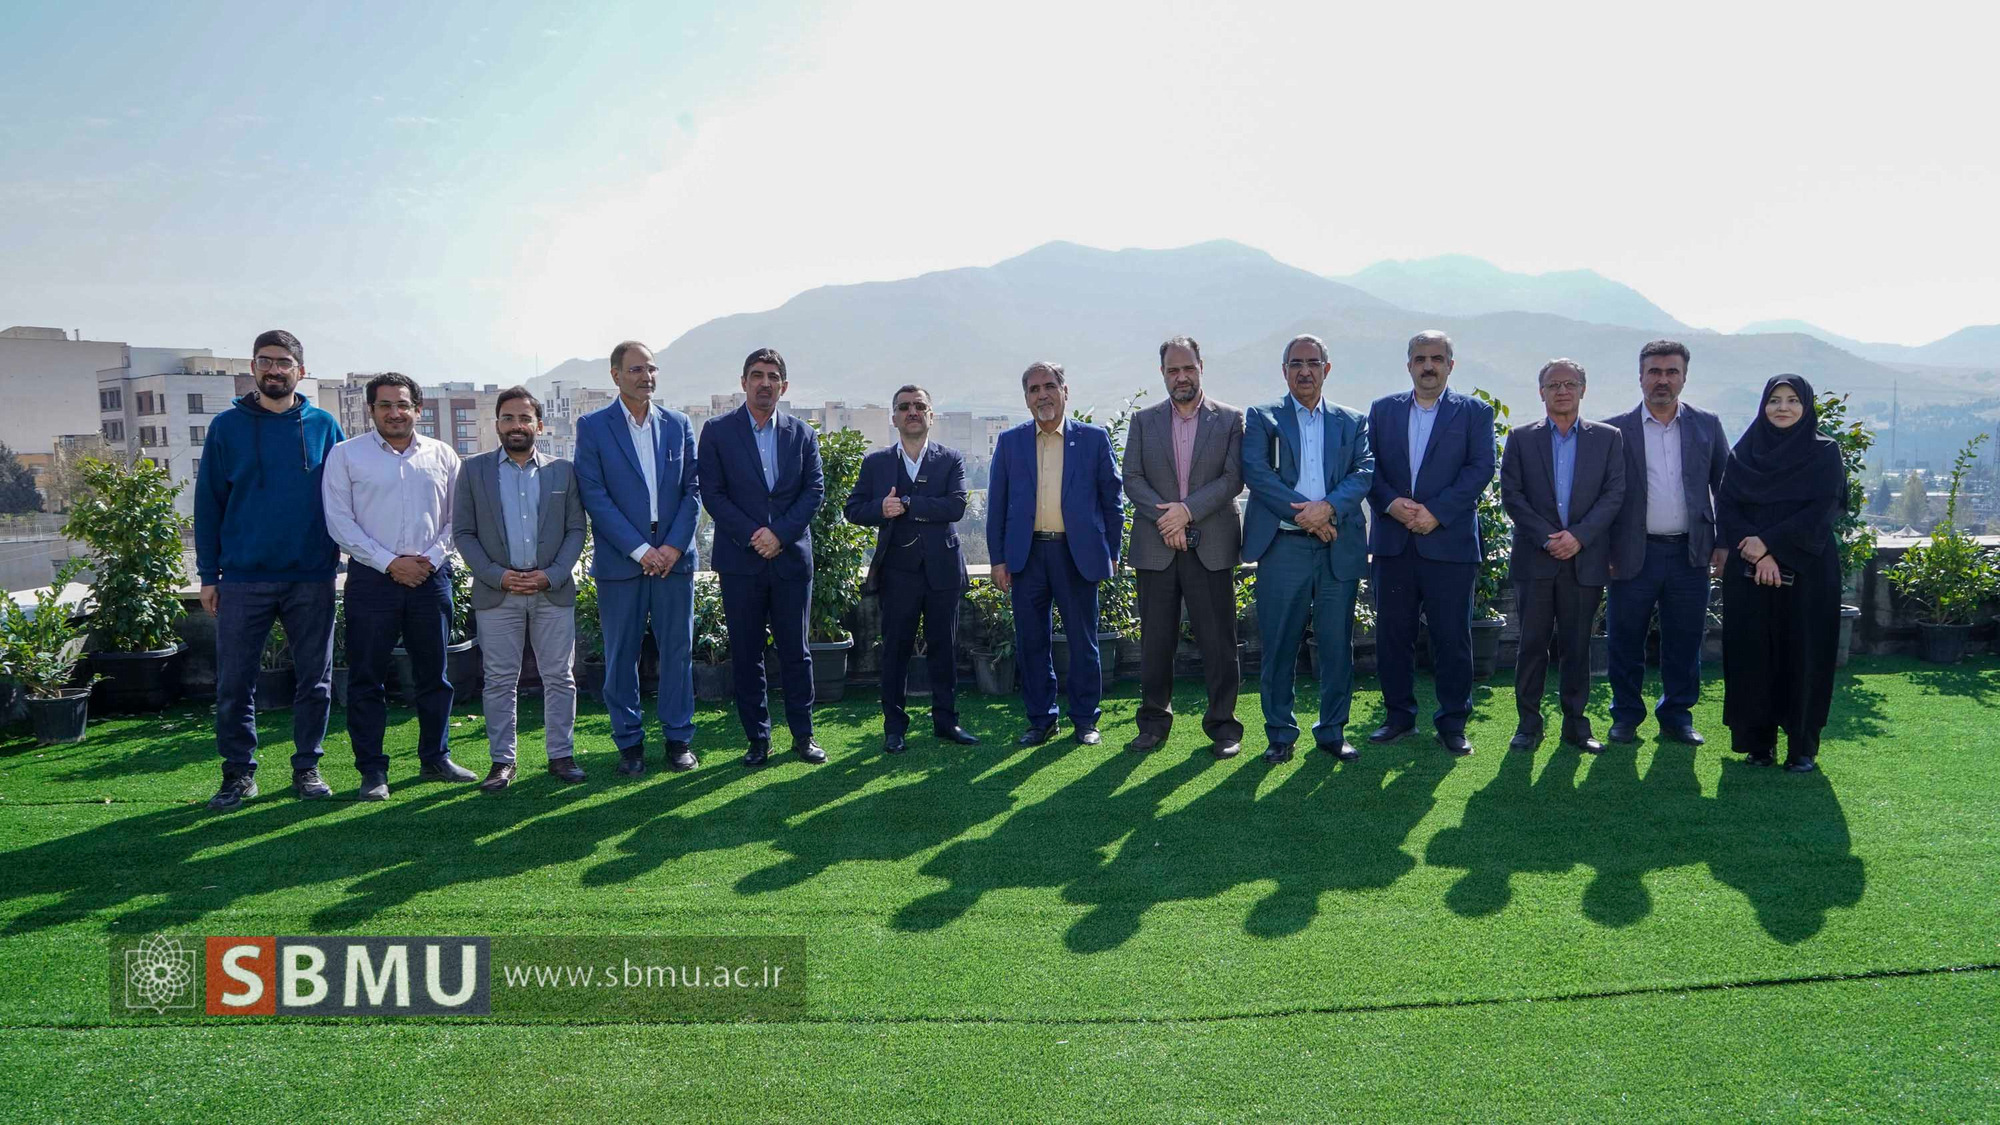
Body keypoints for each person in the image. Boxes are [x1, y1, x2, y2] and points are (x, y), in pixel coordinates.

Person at [195, 329, 346, 810]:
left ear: (300, 370)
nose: (274, 370)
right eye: (265, 361)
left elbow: (348, 493)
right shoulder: (226, 427)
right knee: (234, 682)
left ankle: (307, 767)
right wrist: (208, 574)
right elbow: (208, 503)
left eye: (283, 362)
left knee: (315, 680)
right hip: (244, 578)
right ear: (253, 367)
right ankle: (238, 773)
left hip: (312, 575)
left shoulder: (324, 426)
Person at [322, 372, 469, 799]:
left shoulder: (443, 455)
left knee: (434, 675)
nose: (394, 413)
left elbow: (459, 519)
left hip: (430, 576)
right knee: (367, 678)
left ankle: (435, 758)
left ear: (417, 410)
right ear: (371, 409)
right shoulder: (346, 455)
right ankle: (372, 771)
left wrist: (431, 559)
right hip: (372, 580)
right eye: (385, 405)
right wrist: (390, 563)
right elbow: (339, 522)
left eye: (403, 404)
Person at [1241, 335, 1375, 764]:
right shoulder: (1262, 417)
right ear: (1284, 371)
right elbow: (1257, 474)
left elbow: (1364, 472)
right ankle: (1280, 734)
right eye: (1296, 363)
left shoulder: (1353, 421)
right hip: (1283, 548)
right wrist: (1308, 517)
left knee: (1336, 646)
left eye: (1313, 363)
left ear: (1326, 369)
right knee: (1279, 646)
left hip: (1337, 546)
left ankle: (1332, 732)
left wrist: (1328, 509)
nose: (1304, 371)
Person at [572, 340, 702, 775]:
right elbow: (594, 495)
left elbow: (693, 490)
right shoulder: (593, 427)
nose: (646, 376)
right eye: (636, 369)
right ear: (615, 375)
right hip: (622, 562)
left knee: (677, 652)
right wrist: (642, 550)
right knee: (620, 656)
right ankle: (629, 743)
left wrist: (672, 547)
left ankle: (678, 739)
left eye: (651, 369)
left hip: (674, 560)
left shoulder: (679, 424)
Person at [1365, 330, 1496, 757]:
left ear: (1450, 365)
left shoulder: (1474, 413)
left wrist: (1436, 512)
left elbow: (1481, 469)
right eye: (1420, 358)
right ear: (1408, 365)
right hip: (1394, 543)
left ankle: (1453, 723)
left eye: (1437, 359)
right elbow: (1368, 467)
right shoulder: (1383, 410)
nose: (1428, 366)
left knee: (1452, 638)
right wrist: (1391, 504)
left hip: (1450, 544)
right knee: (1392, 636)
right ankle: (1398, 718)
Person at [451, 387, 588, 790]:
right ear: (496, 424)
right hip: (498, 592)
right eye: (508, 418)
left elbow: (576, 529)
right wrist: (496, 575)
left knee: (559, 677)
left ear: (539, 425)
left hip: (551, 590)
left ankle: (561, 757)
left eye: (525, 418)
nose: (516, 425)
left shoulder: (563, 471)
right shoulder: (473, 471)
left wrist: (554, 574)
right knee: (498, 680)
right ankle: (502, 762)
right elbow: (463, 532)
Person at [698, 348, 827, 767]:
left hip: (790, 560)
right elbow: (712, 493)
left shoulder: (802, 434)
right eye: (757, 375)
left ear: (783, 386)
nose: (765, 383)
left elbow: (814, 491)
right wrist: (756, 536)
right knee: (746, 654)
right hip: (741, 560)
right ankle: (757, 739)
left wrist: (780, 535)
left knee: (796, 652)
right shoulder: (717, 432)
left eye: (773, 376)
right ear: (744, 382)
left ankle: (804, 736)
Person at [985, 361, 1123, 747]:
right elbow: (997, 505)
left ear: (1065, 391)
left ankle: (1086, 720)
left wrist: (1112, 552)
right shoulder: (1011, 443)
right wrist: (998, 559)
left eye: (1049, 386)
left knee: (1083, 641)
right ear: (1026, 398)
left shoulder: (1093, 439)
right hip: (1026, 556)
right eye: (1034, 389)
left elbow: (1113, 502)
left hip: (1077, 555)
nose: (1042, 395)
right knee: (1031, 643)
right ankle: (1042, 719)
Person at [1121, 336, 1245, 757]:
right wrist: (1168, 519)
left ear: (1201, 367)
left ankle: (1224, 727)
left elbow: (1233, 479)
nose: (1181, 377)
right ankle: (1153, 724)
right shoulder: (1143, 421)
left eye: (1188, 368)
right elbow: (1132, 478)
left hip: (1211, 545)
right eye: (1173, 370)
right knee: (1155, 642)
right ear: (1162, 374)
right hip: (1156, 546)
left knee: (1219, 643)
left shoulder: (1230, 419)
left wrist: (1186, 512)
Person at [1601, 340, 1730, 746]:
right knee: (1624, 639)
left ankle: (1677, 716)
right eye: (1654, 372)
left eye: (1671, 372)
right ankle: (1626, 716)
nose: (1662, 380)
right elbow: (1600, 496)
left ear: (1684, 377)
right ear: (1640, 377)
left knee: (1685, 640)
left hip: (1691, 553)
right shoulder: (1613, 430)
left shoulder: (1707, 425)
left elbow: (1725, 487)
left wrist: (1724, 542)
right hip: (1631, 553)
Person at [842, 385, 980, 754]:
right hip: (897, 572)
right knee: (895, 651)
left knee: (945, 649)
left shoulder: (951, 459)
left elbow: (955, 507)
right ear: (894, 418)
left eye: (920, 406)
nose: (912, 412)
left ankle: (946, 722)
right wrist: (880, 509)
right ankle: (894, 728)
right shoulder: (876, 463)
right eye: (904, 407)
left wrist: (906, 503)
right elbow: (852, 509)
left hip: (943, 570)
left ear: (931, 416)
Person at [1717, 375, 1845, 772]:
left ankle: (1801, 747)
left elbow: (1823, 510)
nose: (1782, 408)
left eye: (1792, 400)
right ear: (1763, 406)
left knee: (1803, 653)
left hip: (1808, 570)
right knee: (1752, 654)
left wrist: (1770, 546)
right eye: (1774, 400)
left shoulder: (1824, 452)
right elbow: (1728, 507)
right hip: (1748, 571)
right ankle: (1758, 744)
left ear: (1806, 407)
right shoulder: (1744, 453)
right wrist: (1758, 555)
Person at [1500, 359, 1626, 754]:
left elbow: (1614, 494)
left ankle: (1576, 726)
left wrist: (1579, 537)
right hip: (1535, 560)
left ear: (1583, 390)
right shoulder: (1520, 438)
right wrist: (1547, 538)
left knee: (1577, 646)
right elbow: (1512, 496)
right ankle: (1528, 725)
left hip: (1584, 560)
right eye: (1553, 385)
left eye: (1570, 384)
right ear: (1541, 392)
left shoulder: (1608, 438)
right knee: (1531, 646)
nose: (1562, 391)